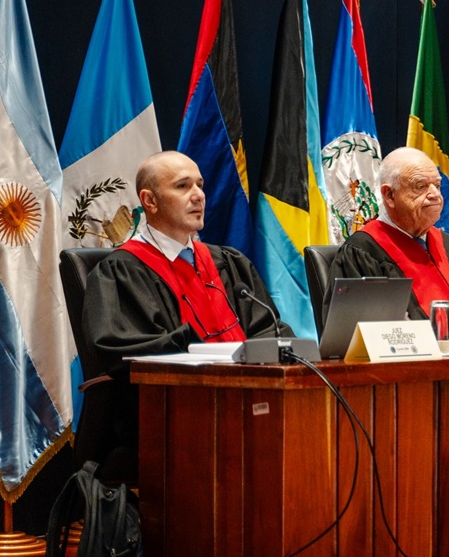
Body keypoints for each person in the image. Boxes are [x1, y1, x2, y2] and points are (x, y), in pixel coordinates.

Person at [83, 151, 292, 464]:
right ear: (150, 201)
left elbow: (268, 328)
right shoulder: (122, 272)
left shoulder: (229, 263)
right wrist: (196, 347)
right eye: (182, 186)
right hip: (168, 423)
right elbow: (123, 350)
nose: (198, 196)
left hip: (248, 407)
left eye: (200, 185)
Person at [326, 147, 449, 336]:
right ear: (389, 195)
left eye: (437, 185)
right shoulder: (363, 253)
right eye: (420, 186)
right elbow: (360, 339)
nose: (435, 195)